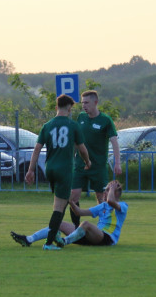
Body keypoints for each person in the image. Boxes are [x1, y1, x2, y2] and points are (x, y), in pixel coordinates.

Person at [24, 94, 90, 250]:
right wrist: (88, 162)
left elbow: (37, 149)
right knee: (59, 207)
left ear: (56, 107)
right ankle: (49, 243)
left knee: (67, 200)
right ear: (69, 108)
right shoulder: (73, 125)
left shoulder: (47, 126)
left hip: (50, 169)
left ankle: (67, 232)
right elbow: (82, 149)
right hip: (64, 169)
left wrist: (30, 170)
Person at [11, 180, 126, 248]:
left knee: (85, 224)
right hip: (93, 236)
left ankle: (64, 241)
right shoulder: (102, 206)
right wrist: (70, 201)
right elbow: (79, 212)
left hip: (106, 239)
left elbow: (111, 201)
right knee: (59, 224)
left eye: (107, 190)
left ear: (115, 192)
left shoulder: (123, 206)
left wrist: (112, 188)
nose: (105, 193)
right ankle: (29, 239)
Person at [69, 90, 121, 227]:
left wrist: (117, 163)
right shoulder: (81, 117)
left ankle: (103, 228)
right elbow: (76, 141)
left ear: (95, 102)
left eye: (86, 102)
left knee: (101, 198)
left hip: (98, 167)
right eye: (82, 103)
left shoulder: (105, 120)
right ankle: (75, 228)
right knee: (73, 196)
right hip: (80, 165)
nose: (83, 106)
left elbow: (114, 142)